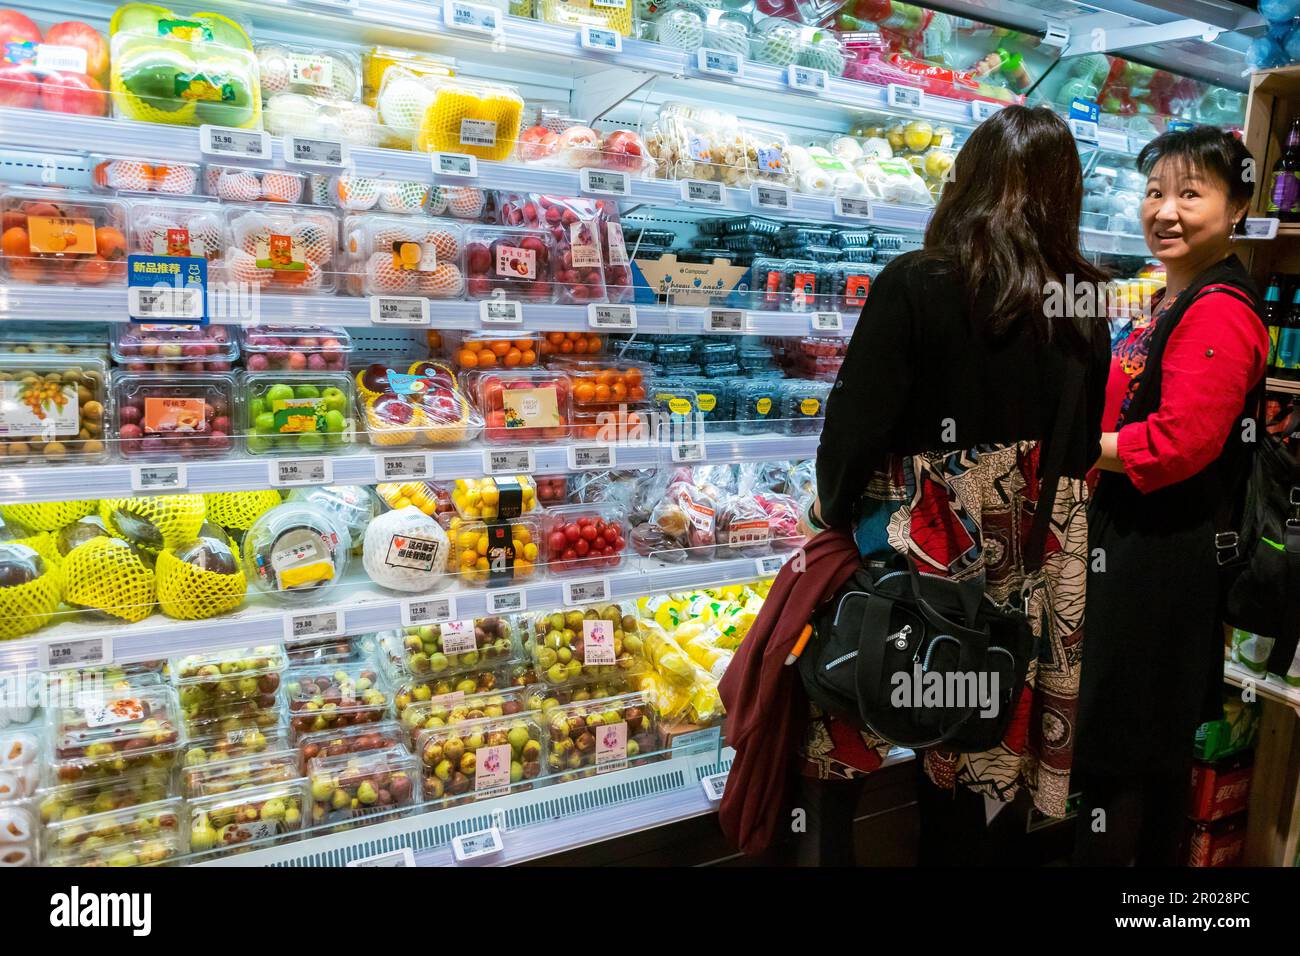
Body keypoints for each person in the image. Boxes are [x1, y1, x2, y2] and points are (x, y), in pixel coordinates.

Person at [793, 105, 1112, 866]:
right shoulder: (1086, 305)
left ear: (964, 182)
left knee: (840, 739)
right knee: (972, 751)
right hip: (1021, 572)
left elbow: (853, 426)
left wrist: (828, 514)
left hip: (904, 564)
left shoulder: (918, 280)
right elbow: (1072, 457)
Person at [1074, 127, 1270, 866]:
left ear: (1240, 206)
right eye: (1155, 191)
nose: (1166, 210)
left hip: (1162, 557)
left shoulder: (1218, 307)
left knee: (1122, 746)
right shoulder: (1170, 295)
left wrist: (1075, 448)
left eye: (1191, 193)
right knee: (1142, 745)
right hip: (1134, 543)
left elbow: (1182, 440)